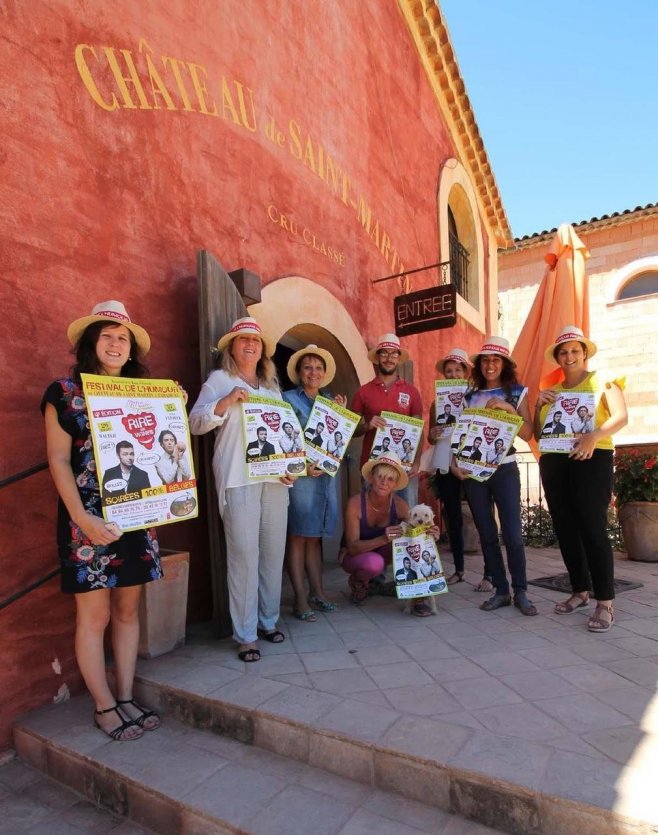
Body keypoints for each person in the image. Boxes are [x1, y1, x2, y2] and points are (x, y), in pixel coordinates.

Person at [42, 300, 163, 742]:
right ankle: (103, 704)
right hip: (87, 521)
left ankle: (126, 694)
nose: (114, 344)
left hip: (137, 516)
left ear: (131, 350)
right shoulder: (63, 392)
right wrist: (81, 519)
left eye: (122, 338)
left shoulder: (144, 394)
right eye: (107, 336)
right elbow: (57, 460)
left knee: (128, 612)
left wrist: (171, 406)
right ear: (91, 343)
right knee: (93, 616)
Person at [189, 317, 293, 662]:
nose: (251, 344)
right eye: (244, 339)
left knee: (272, 550)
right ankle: (246, 634)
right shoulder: (221, 380)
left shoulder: (271, 387)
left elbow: (283, 437)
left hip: (274, 480)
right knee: (244, 555)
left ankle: (268, 619)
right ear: (232, 346)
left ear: (263, 350)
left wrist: (289, 469)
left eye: (256, 340)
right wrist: (225, 402)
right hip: (238, 478)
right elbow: (195, 421)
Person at [534, 325, 627, 632]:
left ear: (584, 353)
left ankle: (605, 602)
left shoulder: (603, 380)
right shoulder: (552, 391)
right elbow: (538, 434)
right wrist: (538, 406)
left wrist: (593, 437)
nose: (569, 355)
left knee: (592, 527)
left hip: (593, 457)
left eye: (575, 350)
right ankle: (580, 590)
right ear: (557, 357)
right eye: (563, 351)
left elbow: (621, 416)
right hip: (554, 460)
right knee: (565, 527)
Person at [451, 336, 537, 616]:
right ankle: (501, 590)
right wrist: (454, 463)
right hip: (474, 470)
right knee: (487, 533)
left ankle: (521, 591)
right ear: (479, 364)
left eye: (495, 360)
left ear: (504, 364)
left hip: (506, 468)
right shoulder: (469, 396)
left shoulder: (516, 393)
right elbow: (460, 434)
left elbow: (527, 433)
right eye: (486, 360)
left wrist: (510, 410)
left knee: (512, 533)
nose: (490, 364)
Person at [282, 344, 347, 620]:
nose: (313, 372)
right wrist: (301, 467)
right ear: (298, 372)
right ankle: (299, 598)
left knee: (313, 537)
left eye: (318, 367)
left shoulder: (329, 401)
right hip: (301, 477)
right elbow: (283, 438)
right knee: (298, 536)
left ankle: (317, 592)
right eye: (307, 367)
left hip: (324, 478)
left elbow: (337, 439)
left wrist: (340, 415)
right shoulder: (286, 399)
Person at [351, 333, 423, 504]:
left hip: (404, 466)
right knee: (373, 517)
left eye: (393, 354)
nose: (389, 358)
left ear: (399, 358)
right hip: (372, 466)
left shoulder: (412, 392)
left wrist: (417, 461)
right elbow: (351, 430)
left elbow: (418, 430)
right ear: (377, 357)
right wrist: (368, 425)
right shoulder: (363, 391)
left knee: (407, 515)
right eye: (384, 353)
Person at [427, 348, 471, 587]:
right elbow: (431, 437)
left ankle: (488, 573)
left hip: (470, 461)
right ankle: (460, 569)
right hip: (445, 461)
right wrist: (433, 434)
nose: (453, 374)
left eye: (457, 370)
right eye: (449, 371)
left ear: (465, 373)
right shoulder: (437, 401)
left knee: (481, 515)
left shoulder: (474, 397)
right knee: (453, 518)